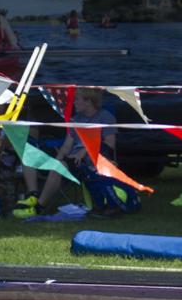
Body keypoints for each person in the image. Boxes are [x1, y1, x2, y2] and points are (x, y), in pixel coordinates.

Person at [14, 87, 117, 217]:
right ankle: (33, 194)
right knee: (29, 155)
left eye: (77, 100)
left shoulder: (105, 117)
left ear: (88, 101)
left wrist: (85, 151)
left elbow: (110, 144)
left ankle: (39, 207)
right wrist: (58, 158)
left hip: (89, 162)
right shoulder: (75, 119)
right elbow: (67, 145)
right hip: (71, 159)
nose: (74, 103)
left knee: (59, 166)